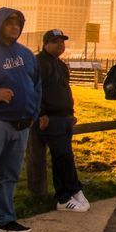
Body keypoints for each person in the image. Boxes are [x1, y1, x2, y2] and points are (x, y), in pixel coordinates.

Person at [0, 7, 41, 232]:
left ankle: (5, 219)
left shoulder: (26, 54)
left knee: (10, 175)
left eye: (18, 23)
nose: (14, 27)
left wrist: (33, 114)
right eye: (9, 23)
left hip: (22, 125)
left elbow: (36, 86)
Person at [35, 29, 88, 212]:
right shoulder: (39, 63)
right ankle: (68, 193)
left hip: (64, 117)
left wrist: (71, 112)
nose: (60, 45)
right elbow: (35, 90)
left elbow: (66, 90)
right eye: (55, 41)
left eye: (62, 41)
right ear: (46, 43)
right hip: (51, 117)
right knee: (62, 155)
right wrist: (41, 113)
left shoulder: (61, 65)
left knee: (64, 156)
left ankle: (68, 194)